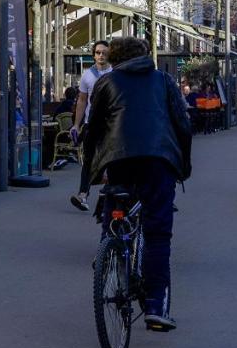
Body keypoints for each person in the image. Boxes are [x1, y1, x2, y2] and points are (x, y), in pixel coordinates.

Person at [84, 36, 190, 330]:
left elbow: (94, 129)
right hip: (159, 160)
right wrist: (183, 165)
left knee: (115, 206)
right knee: (157, 234)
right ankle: (156, 306)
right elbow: (182, 124)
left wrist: (92, 170)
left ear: (114, 57)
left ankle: (108, 256)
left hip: (118, 159)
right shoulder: (163, 80)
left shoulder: (107, 82)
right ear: (144, 54)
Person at [70, 40, 112, 213]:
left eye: (104, 52)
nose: (100, 55)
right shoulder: (87, 75)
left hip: (110, 124)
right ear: (93, 55)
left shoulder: (115, 73)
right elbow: (81, 100)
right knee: (88, 159)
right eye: (97, 52)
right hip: (90, 123)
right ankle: (82, 195)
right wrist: (76, 125)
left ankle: (107, 191)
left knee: (108, 160)